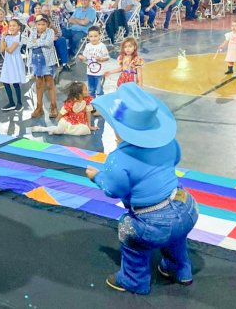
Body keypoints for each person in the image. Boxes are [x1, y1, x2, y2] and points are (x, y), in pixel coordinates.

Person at [86, 83, 198, 295]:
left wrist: (97, 176)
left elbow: (113, 190)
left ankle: (133, 280)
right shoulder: (168, 142)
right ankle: (180, 269)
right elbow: (176, 158)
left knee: (128, 230)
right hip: (187, 207)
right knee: (176, 237)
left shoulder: (118, 159)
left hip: (154, 223)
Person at [30, 82, 96, 136]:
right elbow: (63, 111)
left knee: (84, 130)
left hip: (79, 122)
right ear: (79, 94)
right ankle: (43, 129)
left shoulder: (87, 100)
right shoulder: (71, 102)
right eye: (85, 90)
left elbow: (88, 112)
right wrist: (57, 120)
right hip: (67, 120)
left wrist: (89, 126)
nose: (88, 91)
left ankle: (56, 130)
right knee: (60, 129)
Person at [28, 15, 59, 118]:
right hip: (36, 60)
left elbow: (48, 43)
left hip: (47, 60)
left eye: (43, 24)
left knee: (50, 83)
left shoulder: (50, 32)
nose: (41, 27)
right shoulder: (33, 31)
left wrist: (36, 42)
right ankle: (39, 107)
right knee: (38, 84)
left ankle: (54, 107)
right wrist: (39, 42)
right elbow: (29, 44)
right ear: (35, 24)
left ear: (47, 24)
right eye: (39, 24)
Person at [0, 19, 26, 112]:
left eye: (14, 25)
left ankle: (19, 103)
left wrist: (4, 43)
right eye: (10, 26)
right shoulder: (8, 37)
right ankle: (11, 102)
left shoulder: (19, 37)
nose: (12, 27)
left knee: (15, 82)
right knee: (5, 81)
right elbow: (1, 50)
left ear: (19, 27)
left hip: (15, 61)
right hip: (7, 61)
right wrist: (2, 38)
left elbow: (10, 50)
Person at [79, 26, 109, 98]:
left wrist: (101, 59)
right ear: (88, 37)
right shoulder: (87, 46)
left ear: (100, 36)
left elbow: (107, 57)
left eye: (95, 36)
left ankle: (100, 103)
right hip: (90, 72)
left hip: (100, 73)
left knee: (99, 90)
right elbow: (85, 57)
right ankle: (92, 103)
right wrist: (82, 58)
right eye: (91, 36)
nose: (93, 38)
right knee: (91, 90)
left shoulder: (102, 46)